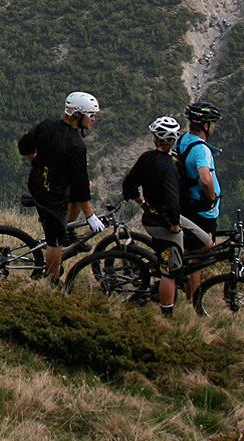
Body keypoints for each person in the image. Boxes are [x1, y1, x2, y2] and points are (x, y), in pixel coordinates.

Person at [17, 91, 102, 281]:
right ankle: (52, 279)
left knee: (75, 197)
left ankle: (68, 230)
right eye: (91, 115)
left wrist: (35, 161)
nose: (93, 120)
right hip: (51, 196)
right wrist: (90, 216)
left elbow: (24, 145)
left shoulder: (47, 125)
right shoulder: (76, 144)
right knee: (54, 241)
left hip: (38, 183)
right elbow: (80, 187)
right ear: (77, 115)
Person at [122, 115, 185, 316]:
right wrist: (174, 225)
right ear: (172, 140)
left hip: (150, 217)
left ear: (156, 139)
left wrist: (143, 203)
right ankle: (166, 314)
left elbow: (128, 185)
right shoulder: (169, 165)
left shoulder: (147, 158)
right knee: (170, 271)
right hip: (164, 223)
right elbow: (172, 201)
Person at [175, 100, 221, 298]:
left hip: (186, 205)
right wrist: (211, 197)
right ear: (205, 125)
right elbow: (205, 177)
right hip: (201, 210)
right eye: (213, 123)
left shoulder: (182, 140)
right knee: (199, 256)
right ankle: (193, 299)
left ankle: (184, 287)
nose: (215, 127)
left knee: (190, 252)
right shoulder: (201, 149)